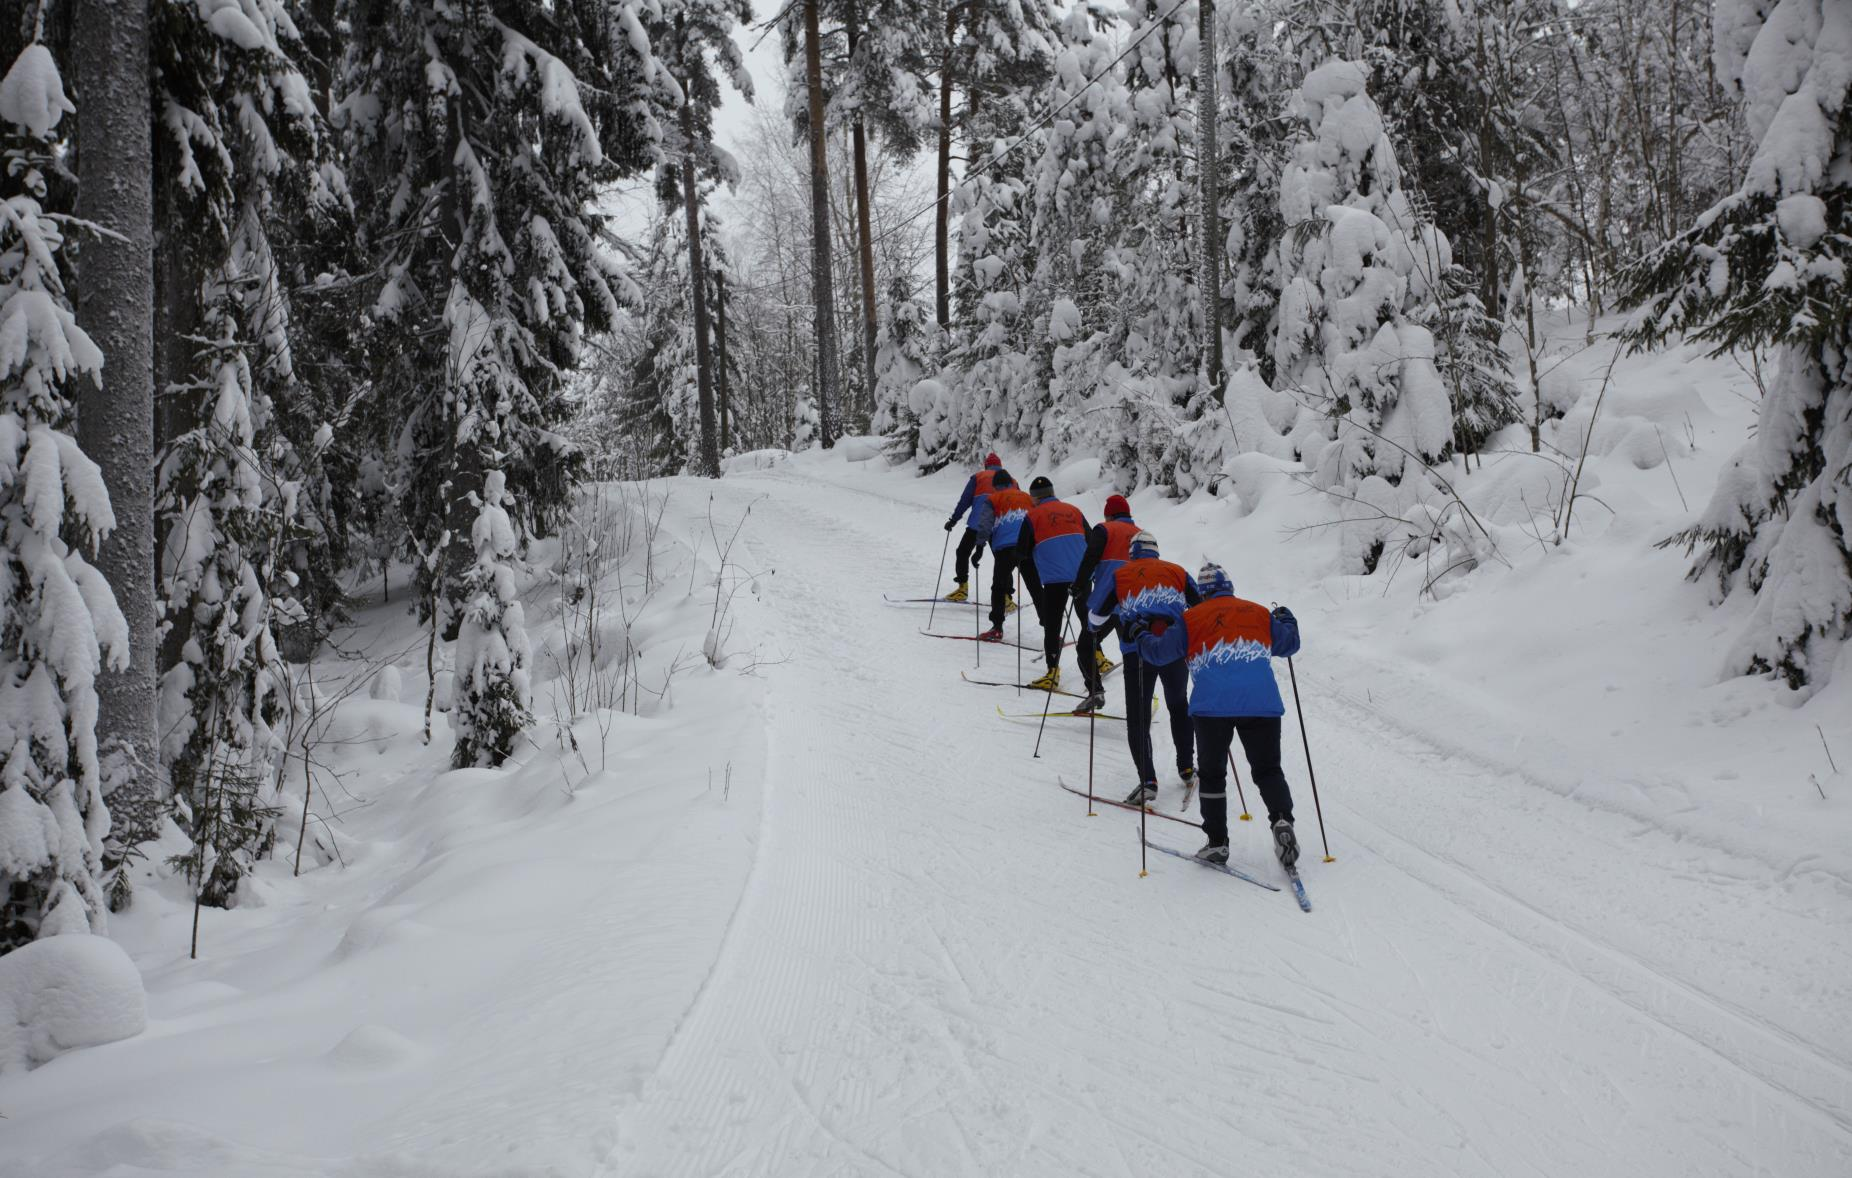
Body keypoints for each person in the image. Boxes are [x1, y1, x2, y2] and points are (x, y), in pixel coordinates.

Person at [1131, 562, 1302, 867]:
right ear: (1230, 587)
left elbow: (1158, 653)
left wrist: (1140, 634)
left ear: (1203, 592)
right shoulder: (1259, 613)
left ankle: (1217, 843)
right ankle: (1281, 820)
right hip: (1261, 703)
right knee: (1268, 770)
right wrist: (1287, 620)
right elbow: (1289, 645)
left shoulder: (1190, 618)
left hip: (1212, 708)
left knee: (1212, 775)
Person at [1087, 530, 1198, 805]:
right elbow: (1202, 608)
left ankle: (1148, 780)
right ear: (1156, 552)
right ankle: (1186, 767)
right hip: (1174, 648)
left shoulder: (1120, 574)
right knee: (1178, 704)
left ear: (1132, 553)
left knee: (1138, 716)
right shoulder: (1178, 571)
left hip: (1137, 650)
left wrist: (1095, 628)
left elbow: (1096, 618)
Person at [1012, 477, 1102, 697]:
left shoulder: (1032, 516)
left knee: (1053, 625)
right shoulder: (1074, 510)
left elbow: (1022, 551)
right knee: (1086, 620)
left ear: (1034, 497)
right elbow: (1091, 541)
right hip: (1081, 576)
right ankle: (1098, 657)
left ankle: (1052, 672)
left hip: (1054, 579)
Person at [1069, 493, 1139, 711]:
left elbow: (1089, 559)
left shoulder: (1104, 530)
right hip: (1134, 605)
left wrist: (1079, 585)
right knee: (1133, 652)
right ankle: (1140, 699)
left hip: (1105, 605)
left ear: (1109, 514)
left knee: (1085, 646)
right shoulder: (1142, 534)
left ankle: (1095, 691)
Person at [967, 471, 1036, 642]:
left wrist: (979, 548)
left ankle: (997, 628)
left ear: (995, 486)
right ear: (1011, 483)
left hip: (1005, 549)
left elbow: (985, 525)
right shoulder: (1028, 498)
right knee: (1035, 588)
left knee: (998, 587)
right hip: (1027, 547)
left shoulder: (993, 499)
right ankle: (1052, 631)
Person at [941, 453, 1004, 602]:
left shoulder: (979, 477)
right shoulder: (1010, 480)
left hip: (978, 523)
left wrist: (954, 520)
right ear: (1000, 466)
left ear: (986, 465)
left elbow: (965, 501)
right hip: (999, 526)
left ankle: (962, 589)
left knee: (963, 552)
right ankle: (1006, 596)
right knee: (1003, 560)